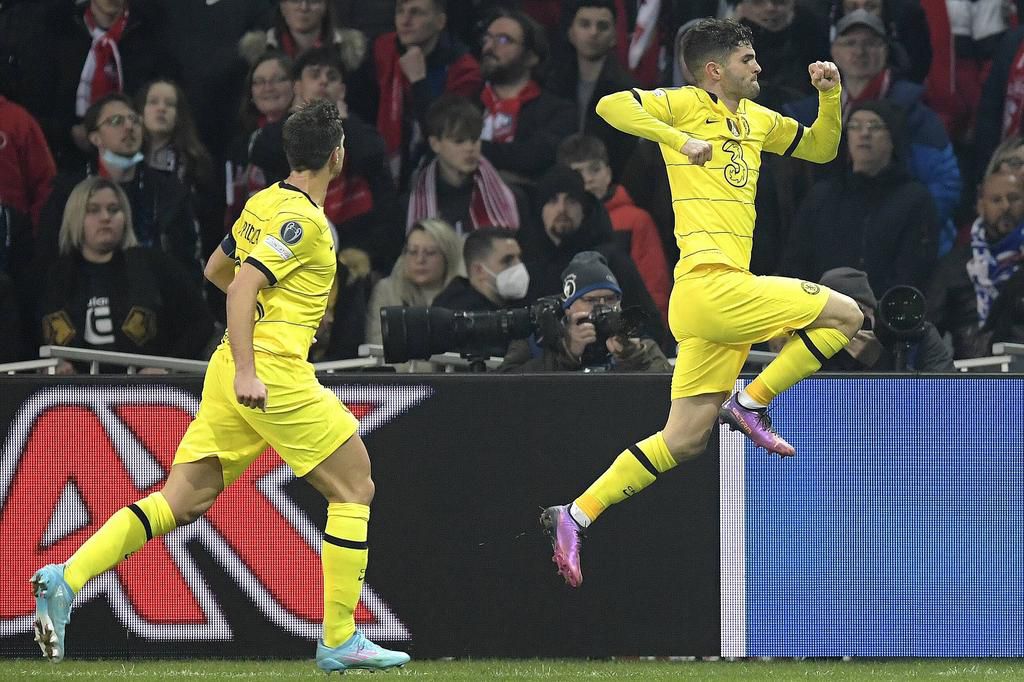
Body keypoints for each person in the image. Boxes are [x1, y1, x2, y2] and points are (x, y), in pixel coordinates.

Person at [28, 100, 410, 673]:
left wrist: (244, 352)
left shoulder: (264, 202)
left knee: (181, 500)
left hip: (230, 367)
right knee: (354, 489)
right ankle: (339, 638)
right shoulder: (302, 220)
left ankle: (67, 576)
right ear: (337, 156)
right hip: (269, 372)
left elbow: (215, 268)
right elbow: (238, 288)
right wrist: (256, 366)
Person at [539, 18, 862, 588]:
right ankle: (752, 402)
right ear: (716, 71)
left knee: (683, 439)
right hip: (713, 287)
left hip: (713, 300)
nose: (757, 66)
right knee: (848, 315)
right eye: (747, 58)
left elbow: (821, 147)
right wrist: (676, 139)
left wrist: (830, 96)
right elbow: (611, 106)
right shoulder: (687, 104)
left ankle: (575, 513)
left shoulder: (757, 119)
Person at [784, 9, 962, 255]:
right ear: (834, 51)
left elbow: (945, 184)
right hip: (831, 245)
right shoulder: (804, 114)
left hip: (905, 246)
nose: (860, 51)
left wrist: (905, 226)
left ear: (886, 50)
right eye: (850, 43)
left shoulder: (916, 114)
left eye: (870, 43)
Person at [38, 176, 213, 372]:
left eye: (114, 210)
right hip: (72, 397)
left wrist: (167, 366)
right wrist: (52, 368)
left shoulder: (155, 265)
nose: (106, 217)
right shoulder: (54, 276)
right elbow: (31, 334)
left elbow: (201, 323)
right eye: (93, 210)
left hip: (146, 395)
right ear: (75, 217)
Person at [780, 100, 938, 293]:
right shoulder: (822, 196)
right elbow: (796, 260)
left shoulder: (914, 199)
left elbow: (915, 269)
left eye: (875, 126)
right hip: (820, 310)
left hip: (885, 315)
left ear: (893, 139)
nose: (864, 133)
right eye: (855, 126)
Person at [557, 133, 670, 323]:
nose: (588, 179)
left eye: (595, 170)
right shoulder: (562, 223)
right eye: (578, 172)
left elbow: (655, 285)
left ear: (608, 173)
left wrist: (654, 330)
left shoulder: (635, 220)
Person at [498, 250, 671, 372]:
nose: (603, 307)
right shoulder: (536, 342)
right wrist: (568, 354)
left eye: (610, 299)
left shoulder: (639, 346)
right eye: (590, 300)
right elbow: (503, 391)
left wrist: (633, 358)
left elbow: (668, 392)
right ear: (568, 307)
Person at [371, 0, 482, 190]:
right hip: (386, 162)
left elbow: (447, 130)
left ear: (440, 21)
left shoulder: (464, 69)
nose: (405, 21)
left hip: (438, 170)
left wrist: (418, 82)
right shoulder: (384, 48)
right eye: (400, 12)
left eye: (416, 13)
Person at [927, 169, 1024, 358]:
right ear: (980, 206)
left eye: (1014, 198)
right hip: (971, 376)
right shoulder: (955, 265)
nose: (1005, 206)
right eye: (996, 200)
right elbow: (928, 326)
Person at [477, 9, 576, 180]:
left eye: (503, 40)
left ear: (531, 57)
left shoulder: (558, 112)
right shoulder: (468, 103)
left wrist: (470, 148)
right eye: (487, 38)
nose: (489, 47)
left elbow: (530, 157)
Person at [545, 1, 638, 179]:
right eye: (585, 24)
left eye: (602, 26)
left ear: (614, 37)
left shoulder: (628, 91)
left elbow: (627, 153)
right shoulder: (552, 82)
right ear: (571, 33)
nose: (593, 32)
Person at [407, 94, 523, 234]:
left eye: (475, 139)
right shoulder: (410, 203)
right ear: (435, 144)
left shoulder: (510, 197)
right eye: (459, 141)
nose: (470, 148)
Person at [817, 266, 954, 371]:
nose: (853, 324)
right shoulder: (812, 343)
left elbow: (944, 399)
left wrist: (880, 360)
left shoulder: (916, 336)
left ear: (873, 310)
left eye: (859, 312)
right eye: (840, 317)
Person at [364, 218, 462, 348]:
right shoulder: (386, 290)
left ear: (448, 256)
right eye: (413, 252)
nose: (420, 260)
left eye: (430, 253)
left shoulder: (463, 295)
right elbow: (377, 347)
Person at [434, 226, 528, 312]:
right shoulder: (455, 316)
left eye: (519, 258)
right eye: (507, 261)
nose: (518, 266)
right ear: (479, 270)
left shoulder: (519, 304)